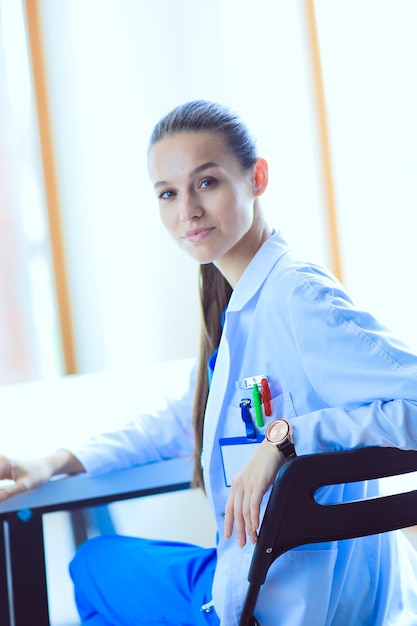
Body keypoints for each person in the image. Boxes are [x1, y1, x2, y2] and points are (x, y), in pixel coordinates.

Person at [1, 99, 417, 626]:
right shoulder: (235, 296)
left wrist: (288, 436)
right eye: (168, 194)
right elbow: (187, 420)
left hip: (288, 599)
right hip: (293, 584)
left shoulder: (297, 297)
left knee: (92, 568)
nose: (187, 211)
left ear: (256, 178)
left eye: (207, 183)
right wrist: (58, 461)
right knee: (103, 565)